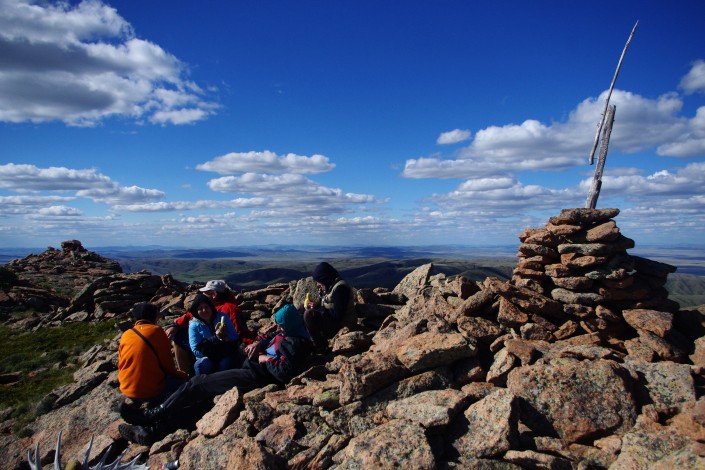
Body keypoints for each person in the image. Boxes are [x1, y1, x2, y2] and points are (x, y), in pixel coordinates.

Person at [118, 304, 313, 445]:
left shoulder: (295, 343)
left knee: (198, 383)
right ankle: (153, 431)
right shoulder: (286, 334)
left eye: (281, 324)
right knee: (204, 403)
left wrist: (263, 357)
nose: (278, 327)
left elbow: (283, 372)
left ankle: (151, 415)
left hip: (255, 376)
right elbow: (266, 337)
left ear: (290, 324)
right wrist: (258, 344)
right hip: (250, 370)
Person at [164, 280, 253, 373]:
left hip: (224, 348)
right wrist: (175, 326)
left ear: (213, 294)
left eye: (205, 293)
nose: (202, 294)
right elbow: (188, 316)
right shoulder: (207, 307)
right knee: (178, 337)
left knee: (180, 340)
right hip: (209, 348)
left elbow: (240, 333)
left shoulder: (229, 309)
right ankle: (187, 373)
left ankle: (186, 373)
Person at [117, 303, 188, 404]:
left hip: (126, 389)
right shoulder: (156, 331)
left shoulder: (126, 334)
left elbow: (120, 365)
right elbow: (169, 367)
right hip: (151, 392)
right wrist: (185, 376)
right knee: (184, 385)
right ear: (153, 315)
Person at [303, 262, 357, 354]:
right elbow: (328, 304)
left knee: (309, 315)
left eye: (318, 281)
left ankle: (321, 347)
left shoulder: (340, 289)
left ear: (325, 278)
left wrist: (317, 311)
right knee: (303, 308)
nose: (317, 284)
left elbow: (338, 315)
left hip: (343, 324)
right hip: (334, 320)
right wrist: (315, 306)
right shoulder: (330, 285)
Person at [188, 293, 241, 375]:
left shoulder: (222, 317)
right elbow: (196, 350)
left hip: (224, 353)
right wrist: (216, 339)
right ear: (196, 311)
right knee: (202, 365)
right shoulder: (194, 325)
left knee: (226, 364)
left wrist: (226, 337)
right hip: (206, 357)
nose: (204, 310)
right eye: (200, 308)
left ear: (211, 307)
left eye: (206, 307)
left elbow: (234, 336)